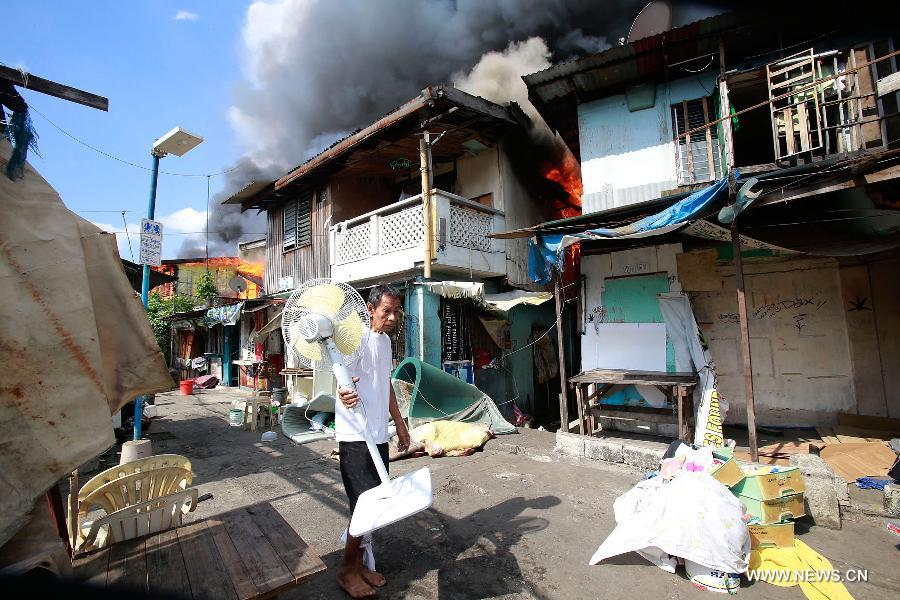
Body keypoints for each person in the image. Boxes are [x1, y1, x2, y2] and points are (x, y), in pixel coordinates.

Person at [335, 284, 410, 598]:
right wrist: (344, 393)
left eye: (396, 312)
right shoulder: (353, 341)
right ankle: (346, 571)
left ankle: (362, 564)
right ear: (370, 308)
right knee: (361, 508)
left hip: (378, 435)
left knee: (375, 505)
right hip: (355, 435)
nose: (392, 318)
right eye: (386, 311)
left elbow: (387, 386)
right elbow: (341, 382)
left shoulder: (385, 342)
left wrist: (401, 427)